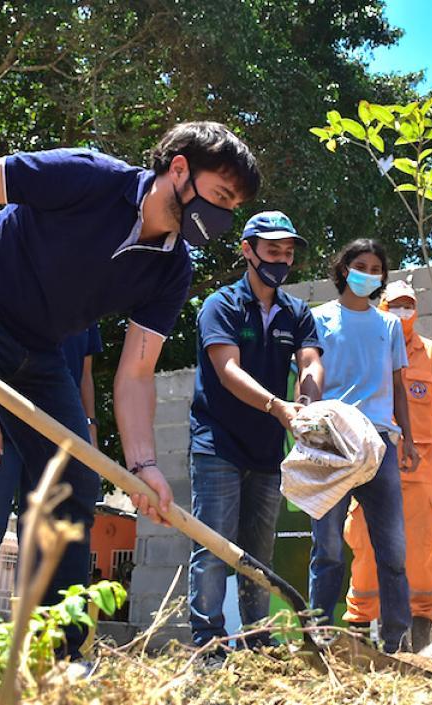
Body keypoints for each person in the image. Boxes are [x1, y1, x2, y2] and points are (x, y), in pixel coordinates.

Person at [0, 122, 259, 658]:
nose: (223, 214)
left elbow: (136, 373)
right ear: (180, 168)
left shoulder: (172, 269)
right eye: (220, 195)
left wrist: (143, 467)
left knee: (73, 483)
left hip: (41, 346)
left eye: (232, 205)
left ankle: (62, 658)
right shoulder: (88, 177)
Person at [187, 211, 323, 651]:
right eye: (272, 251)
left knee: (258, 555)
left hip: (266, 452)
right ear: (248, 251)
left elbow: (310, 362)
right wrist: (277, 406)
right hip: (218, 446)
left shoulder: (296, 311)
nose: (281, 260)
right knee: (212, 550)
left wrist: (306, 402)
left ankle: (257, 643)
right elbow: (227, 370)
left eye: (287, 252)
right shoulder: (221, 305)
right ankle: (210, 645)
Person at [308, 239, 420, 654]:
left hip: (380, 445)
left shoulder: (389, 325)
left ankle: (396, 640)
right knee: (329, 547)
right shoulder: (317, 319)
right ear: (343, 268)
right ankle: (316, 636)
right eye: (360, 265)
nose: (367, 273)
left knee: (392, 548)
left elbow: (397, 386)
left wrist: (407, 438)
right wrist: (308, 421)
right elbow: (309, 373)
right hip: (332, 441)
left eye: (376, 268)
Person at [343, 280, 432, 651]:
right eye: (396, 305)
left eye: (409, 305)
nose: (403, 312)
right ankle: (361, 629)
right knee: (364, 543)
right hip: (371, 467)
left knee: (421, 548)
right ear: (383, 306)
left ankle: (419, 634)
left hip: (421, 472)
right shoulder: (367, 347)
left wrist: (422, 445)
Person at [0, 323, 103, 614]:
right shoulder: (26, 284)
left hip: (58, 435)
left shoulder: (90, 303)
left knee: (42, 534)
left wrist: (90, 426)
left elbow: (85, 373)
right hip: (5, 423)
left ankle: (37, 637)